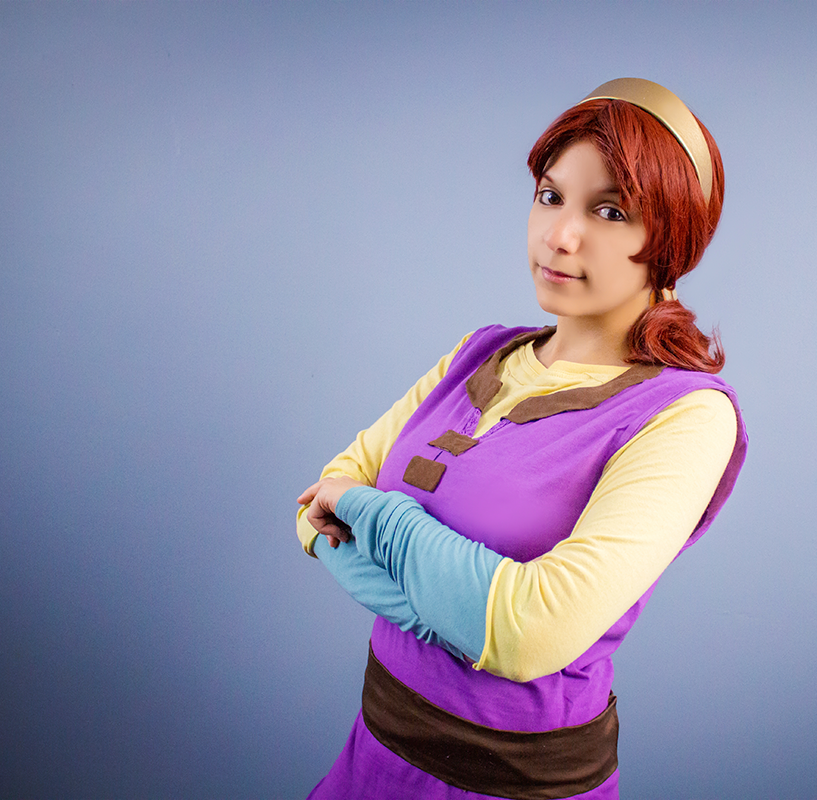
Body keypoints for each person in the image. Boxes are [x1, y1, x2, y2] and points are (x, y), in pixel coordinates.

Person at [296, 78, 748, 800]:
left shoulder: (686, 416)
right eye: (549, 196)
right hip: (374, 757)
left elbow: (530, 633)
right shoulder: (479, 353)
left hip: (511, 785)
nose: (560, 235)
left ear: (673, 236)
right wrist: (455, 614)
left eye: (610, 211)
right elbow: (314, 510)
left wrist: (372, 512)